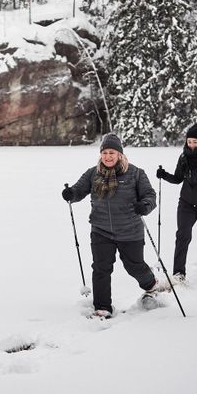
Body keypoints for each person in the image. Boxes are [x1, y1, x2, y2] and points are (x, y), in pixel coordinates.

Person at [62, 132, 161, 319]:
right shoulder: (93, 173)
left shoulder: (135, 173)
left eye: (112, 153)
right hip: (101, 230)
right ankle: (102, 308)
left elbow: (150, 195)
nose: (108, 157)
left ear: (120, 155)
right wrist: (71, 194)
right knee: (101, 268)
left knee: (134, 266)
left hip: (130, 230)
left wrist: (144, 206)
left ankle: (150, 284)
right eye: (105, 152)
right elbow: (79, 190)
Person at [156, 124, 197, 285]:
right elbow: (178, 178)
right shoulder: (184, 157)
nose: (192, 145)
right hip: (186, 203)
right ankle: (179, 273)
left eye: (195, 142)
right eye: (189, 141)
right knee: (182, 237)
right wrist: (164, 175)